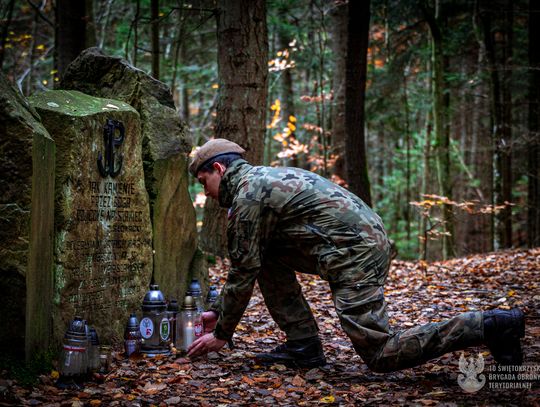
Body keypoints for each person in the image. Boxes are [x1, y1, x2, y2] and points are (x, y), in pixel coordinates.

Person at [187, 138, 525, 371]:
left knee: (381, 354)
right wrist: (221, 312)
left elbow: (241, 271)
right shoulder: (262, 178)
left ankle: (492, 325)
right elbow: (251, 260)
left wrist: (222, 333)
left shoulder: (248, 196)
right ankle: (303, 347)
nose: (207, 192)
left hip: (355, 252)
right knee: (267, 256)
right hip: (353, 243)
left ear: (219, 169)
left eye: (204, 182)